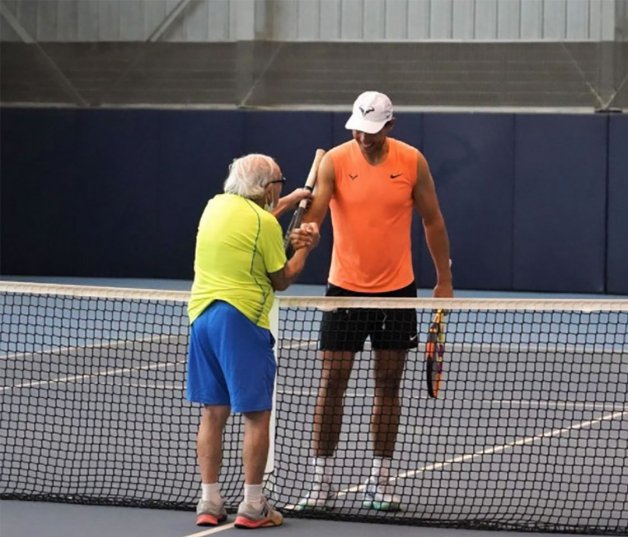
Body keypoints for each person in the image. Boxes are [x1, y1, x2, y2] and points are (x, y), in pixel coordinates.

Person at [297, 91, 453, 512]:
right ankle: (321, 482)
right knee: (332, 383)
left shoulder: (412, 161)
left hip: (397, 292)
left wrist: (444, 280)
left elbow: (432, 220)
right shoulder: (334, 160)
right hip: (343, 289)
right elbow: (314, 219)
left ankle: (380, 481)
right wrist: (302, 243)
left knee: (388, 385)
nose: (363, 138)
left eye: (372, 131)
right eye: (357, 129)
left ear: (390, 126)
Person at [186, 153, 320, 529]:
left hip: (202, 317)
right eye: (278, 182)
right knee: (257, 415)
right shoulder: (263, 222)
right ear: (265, 188)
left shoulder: (215, 206)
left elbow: (252, 224)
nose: (279, 188)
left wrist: (291, 201)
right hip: (242, 319)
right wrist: (306, 247)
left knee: (213, 413)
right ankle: (253, 504)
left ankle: (209, 501)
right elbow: (281, 278)